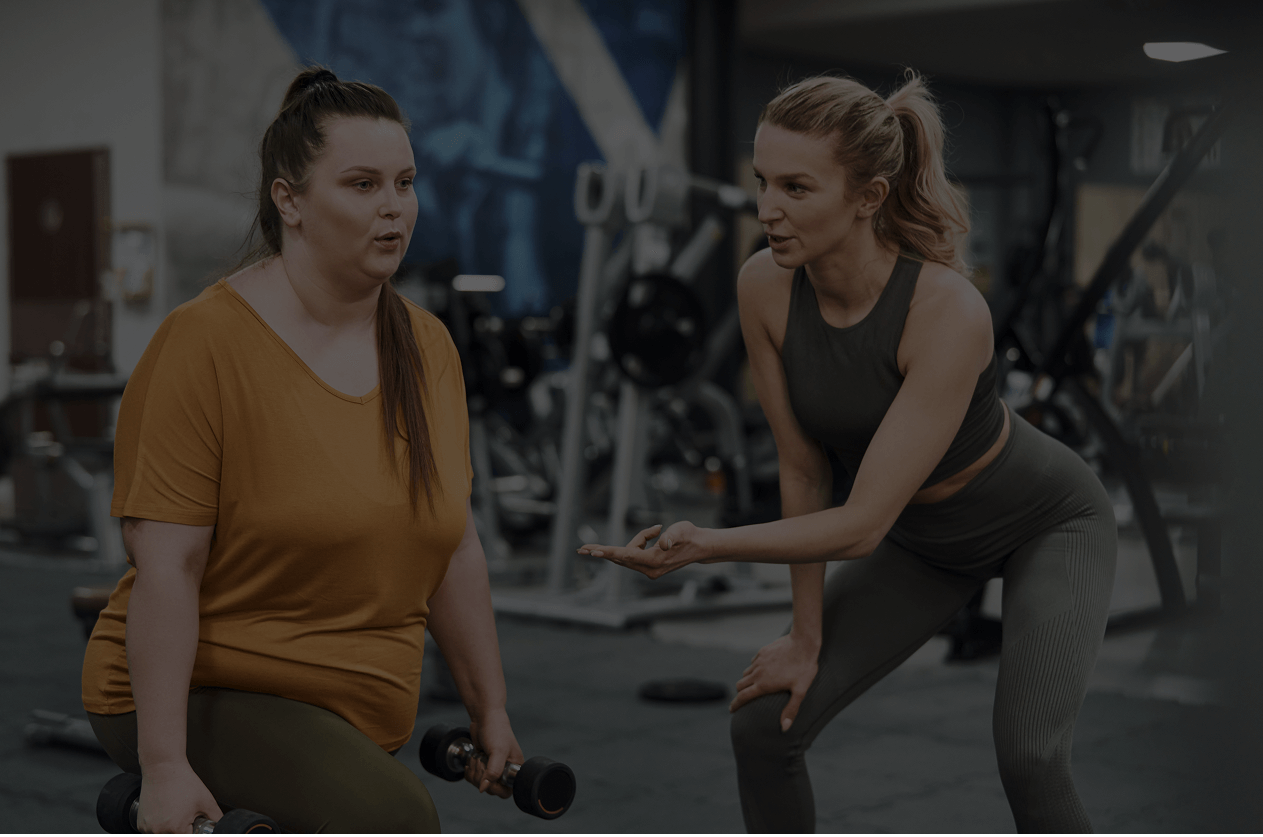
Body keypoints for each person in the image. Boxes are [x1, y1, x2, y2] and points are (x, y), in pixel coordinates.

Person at [580, 71, 1117, 833]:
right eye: (763, 181)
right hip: (927, 543)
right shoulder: (764, 286)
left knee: (1030, 755)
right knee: (765, 727)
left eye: (797, 187)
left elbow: (862, 523)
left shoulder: (946, 310)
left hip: (1045, 521)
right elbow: (803, 467)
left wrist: (706, 544)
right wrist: (804, 637)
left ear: (867, 197)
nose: (769, 209)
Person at [82, 67, 523, 834]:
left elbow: (455, 549)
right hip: (206, 688)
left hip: (352, 706)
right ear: (289, 200)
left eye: (405, 182)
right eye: (361, 185)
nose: (393, 208)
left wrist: (492, 708)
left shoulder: (427, 348)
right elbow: (168, 565)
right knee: (392, 819)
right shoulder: (205, 342)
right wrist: (163, 764)